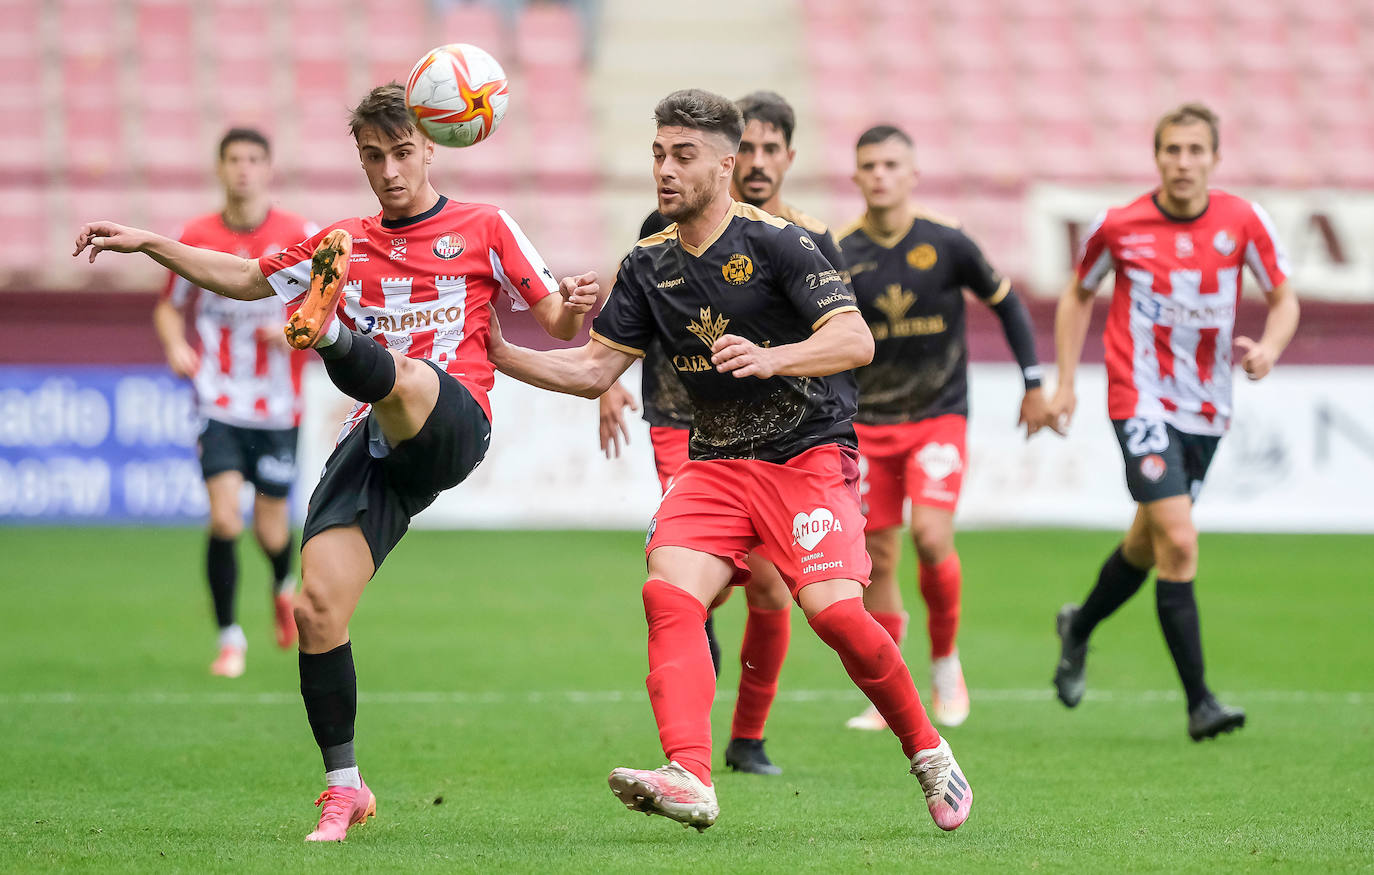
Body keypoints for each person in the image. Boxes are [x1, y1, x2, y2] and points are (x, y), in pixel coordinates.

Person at [75, 83, 598, 841]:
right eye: (373, 157)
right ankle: (344, 787)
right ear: (361, 160)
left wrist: (577, 303)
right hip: (376, 441)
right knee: (315, 606)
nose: (389, 170)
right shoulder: (345, 238)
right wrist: (150, 240)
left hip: (455, 418)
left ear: (430, 147)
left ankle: (325, 336)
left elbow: (555, 317)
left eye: (402, 152)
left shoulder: (486, 226)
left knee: (410, 375)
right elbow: (242, 275)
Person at [489, 89, 972, 832]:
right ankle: (690, 772)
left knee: (836, 615)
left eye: (683, 155)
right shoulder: (648, 264)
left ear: (726, 161)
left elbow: (855, 341)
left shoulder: (782, 242)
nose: (665, 169)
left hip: (807, 456)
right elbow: (591, 371)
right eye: (658, 154)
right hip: (715, 464)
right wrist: (498, 351)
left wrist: (773, 357)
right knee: (668, 594)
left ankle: (930, 751)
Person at [597, 90, 850, 777]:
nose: (761, 163)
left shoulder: (803, 238)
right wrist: (605, 381)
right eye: (754, 150)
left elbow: (843, 347)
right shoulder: (668, 220)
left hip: (775, 442)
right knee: (684, 578)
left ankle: (748, 736)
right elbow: (633, 311)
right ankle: (690, 745)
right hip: (682, 422)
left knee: (770, 589)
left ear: (784, 158)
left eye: (773, 150)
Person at [1045, 103, 1299, 741]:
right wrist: (1068, 382)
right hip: (1140, 399)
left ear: (1215, 157)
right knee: (1180, 542)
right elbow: (1078, 294)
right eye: (1172, 151)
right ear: (1156, 157)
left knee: (1146, 543)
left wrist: (1270, 347)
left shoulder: (1243, 220)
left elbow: (1283, 296)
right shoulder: (1120, 225)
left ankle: (1079, 626)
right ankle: (1200, 704)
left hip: (1209, 409)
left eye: (1195, 151)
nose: (1183, 163)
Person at [837, 125, 1047, 731]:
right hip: (866, 425)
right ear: (856, 177)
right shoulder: (840, 252)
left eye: (891, 164)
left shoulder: (948, 242)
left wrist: (1033, 383)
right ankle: (892, 685)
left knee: (930, 537)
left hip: (937, 417)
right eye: (869, 165)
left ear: (912, 174)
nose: (880, 175)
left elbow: (1006, 302)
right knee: (875, 555)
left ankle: (947, 665)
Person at [152, 128, 316, 677]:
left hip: (277, 406)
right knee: (224, 519)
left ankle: (281, 585)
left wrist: (298, 328)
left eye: (253, 159)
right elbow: (170, 307)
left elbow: (332, 307)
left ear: (269, 169)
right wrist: (176, 344)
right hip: (217, 400)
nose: (243, 169)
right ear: (220, 169)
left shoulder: (302, 235)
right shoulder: (195, 236)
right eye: (234, 159)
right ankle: (229, 638)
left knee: (270, 530)